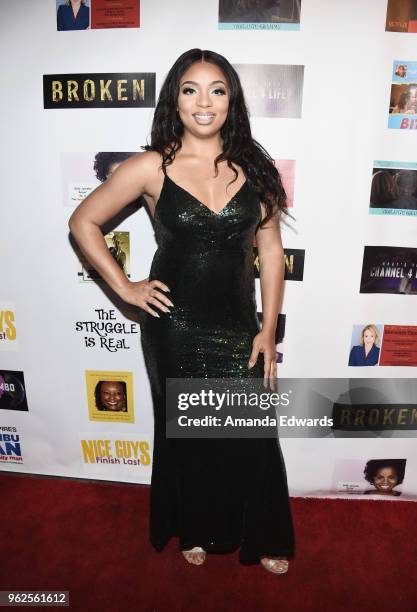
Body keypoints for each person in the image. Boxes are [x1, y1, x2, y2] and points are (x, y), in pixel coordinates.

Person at [68, 48, 295, 575]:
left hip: (238, 326)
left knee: (252, 435)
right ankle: (195, 527)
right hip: (175, 327)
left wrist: (267, 329)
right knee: (187, 435)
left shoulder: (254, 170)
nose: (203, 102)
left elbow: (272, 252)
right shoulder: (152, 166)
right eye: (190, 89)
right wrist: (125, 287)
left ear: (231, 101)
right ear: (175, 98)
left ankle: (262, 535)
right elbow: (84, 222)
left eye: (217, 90)